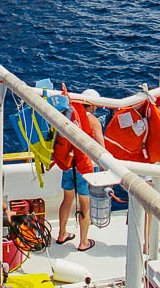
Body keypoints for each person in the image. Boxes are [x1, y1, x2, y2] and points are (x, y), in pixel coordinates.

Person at [56, 88, 105, 252]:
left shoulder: (69, 115)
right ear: (90, 106)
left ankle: (62, 233)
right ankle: (83, 242)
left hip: (69, 163)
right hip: (85, 167)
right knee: (85, 204)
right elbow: (101, 147)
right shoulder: (93, 121)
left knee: (67, 199)